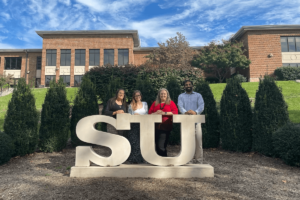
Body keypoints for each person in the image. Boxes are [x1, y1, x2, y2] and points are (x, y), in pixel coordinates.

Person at [178, 80, 205, 163]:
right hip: (186, 122)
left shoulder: (198, 95)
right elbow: (180, 106)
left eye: (189, 84)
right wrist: (185, 112)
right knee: (187, 141)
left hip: (196, 121)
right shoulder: (181, 96)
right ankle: (188, 159)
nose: (188, 86)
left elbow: (201, 105)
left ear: (192, 86)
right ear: (184, 87)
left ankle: (199, 160)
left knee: (198, 141)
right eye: (186, 85)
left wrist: (195, 112)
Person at [148, 88, 178, 157]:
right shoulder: (155, 103)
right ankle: (158, 161)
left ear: (167, 95)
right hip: (155, 127)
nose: (163, 95)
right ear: (159, 95)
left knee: (161, 145)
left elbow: (175, 112)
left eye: (164, 94)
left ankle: (164, 160)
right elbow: (149, 113)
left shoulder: (171, 103)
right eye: (161, 94)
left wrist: (164, 113)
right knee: (156, 145)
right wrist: (156, 113)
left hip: (165, 127)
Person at [127, 90, 148, 163]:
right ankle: (133, 159)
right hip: (133, 125)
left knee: (141, 142)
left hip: (142, 124)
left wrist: (140, 116)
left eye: (139, 95)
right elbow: (129, 116)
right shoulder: (131, 105)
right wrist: (134, 115)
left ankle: (141, 159)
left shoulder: (145, 104)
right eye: (136, 96)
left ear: (141, 96)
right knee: (134, 142)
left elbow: (146, 114)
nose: (138, 97)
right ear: (134, 97)